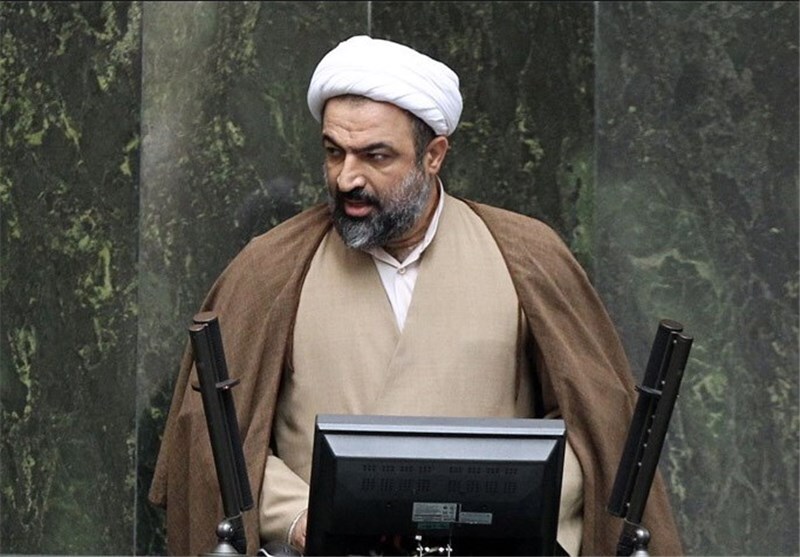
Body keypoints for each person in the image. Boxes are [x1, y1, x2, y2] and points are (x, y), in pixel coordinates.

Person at [149, 35, 683, 556]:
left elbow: (596, 431)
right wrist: (301, 517)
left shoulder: (526, 257)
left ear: (433, 155)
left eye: (375, 155)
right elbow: (218, 439)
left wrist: (498, 512)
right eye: (334, 153)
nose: (347, 178)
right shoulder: (271, 268)